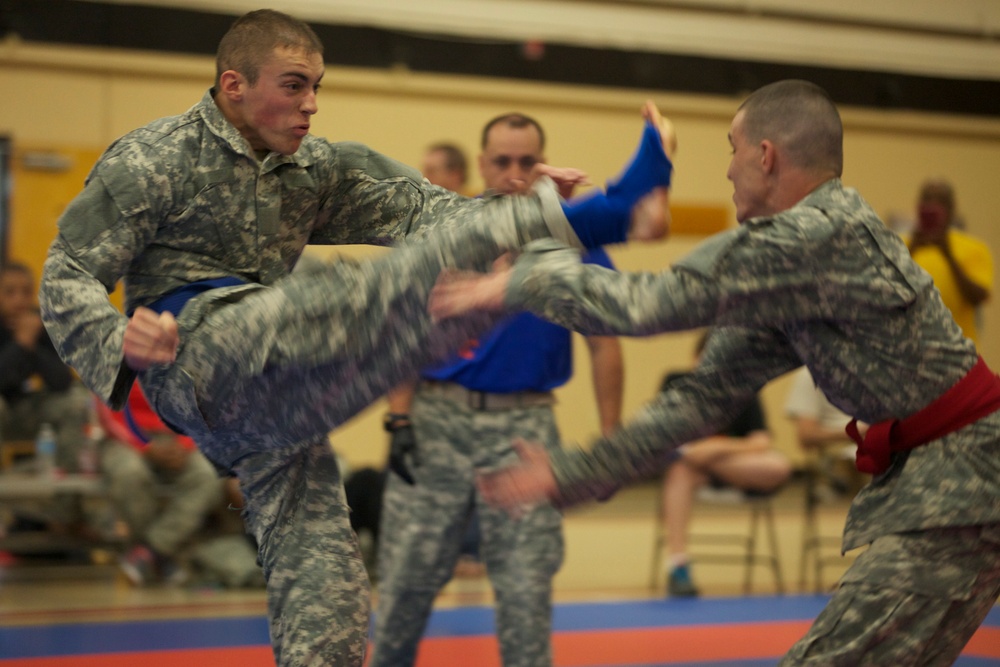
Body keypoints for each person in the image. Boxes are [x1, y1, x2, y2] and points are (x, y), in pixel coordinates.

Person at [37, 9, 673, 666]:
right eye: (292, 85)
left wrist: (525, 210)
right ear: (234, 85)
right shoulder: (152, 159)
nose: (311, 104)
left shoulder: (315, 168)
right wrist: (122, 345)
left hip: (279, 413)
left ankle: (580, 222)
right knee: (346, 296)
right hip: (202, 354)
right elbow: (66, 273)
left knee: (334, 610)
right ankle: (611, 211)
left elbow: (428, 210)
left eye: (317, 85)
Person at [430, 79, 1000, 665]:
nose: (727, 171)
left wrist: (524, 275)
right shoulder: (797, 265)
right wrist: (575, 474)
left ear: (765, 155)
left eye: (731, 148)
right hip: (959, 483)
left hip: (962, 485)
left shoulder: (813, 236)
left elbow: (650, 304)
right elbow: (700, 397)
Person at [371, 112, 627, 667]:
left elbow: (605, 342)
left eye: (527, 162)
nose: (514, 173)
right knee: (404, 587)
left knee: (525, 591)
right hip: (438, 419)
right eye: (502, 161)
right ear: (482, 165)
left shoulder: (569, 238)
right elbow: (402, 334)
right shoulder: (445, 232)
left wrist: (609, 443)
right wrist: (399, 419)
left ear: (542, 165)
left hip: (524, 428)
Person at [659, 330, 790, 598]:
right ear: (695, 359)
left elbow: (761, 442)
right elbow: (665, 436)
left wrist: (716, 448)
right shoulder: (675, 383)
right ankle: (678, 566)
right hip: (690, 469)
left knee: (778, 466)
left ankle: (704, 457)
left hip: (735, 469)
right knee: (680, 469)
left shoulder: (745, 388)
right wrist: (698, 453)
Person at [96, 385, 224, 586]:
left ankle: (150, 551)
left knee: (208, 474)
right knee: (130, 474)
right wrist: (145, 446)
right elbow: (107, 413)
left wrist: (185, 444)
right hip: (125, 439)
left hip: (177, 436)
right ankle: (161, 558)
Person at [0, 261, 89, 476]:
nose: (19, 300)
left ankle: (67, 495)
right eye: (9, 292)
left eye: (26, 292)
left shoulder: (41, 323)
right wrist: (20, 345)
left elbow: (63, 382)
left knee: (77, 401)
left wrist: (32, 344)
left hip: (27, 410)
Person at [905, 178, 993, 347]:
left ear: (952, 210)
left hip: (959, 349)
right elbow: (883, 288)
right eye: (927, 199)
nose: (932, 205)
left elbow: (979, 297)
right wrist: (911, 250)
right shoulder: (900, 245)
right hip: (911, 349)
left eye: (940, 201)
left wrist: (949, 255)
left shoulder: (975, 248)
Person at [784, 365, 864, 500]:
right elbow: (806, 436)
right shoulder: (811, 374)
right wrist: (855, 433)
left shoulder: (873, 372)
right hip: (840, 451)